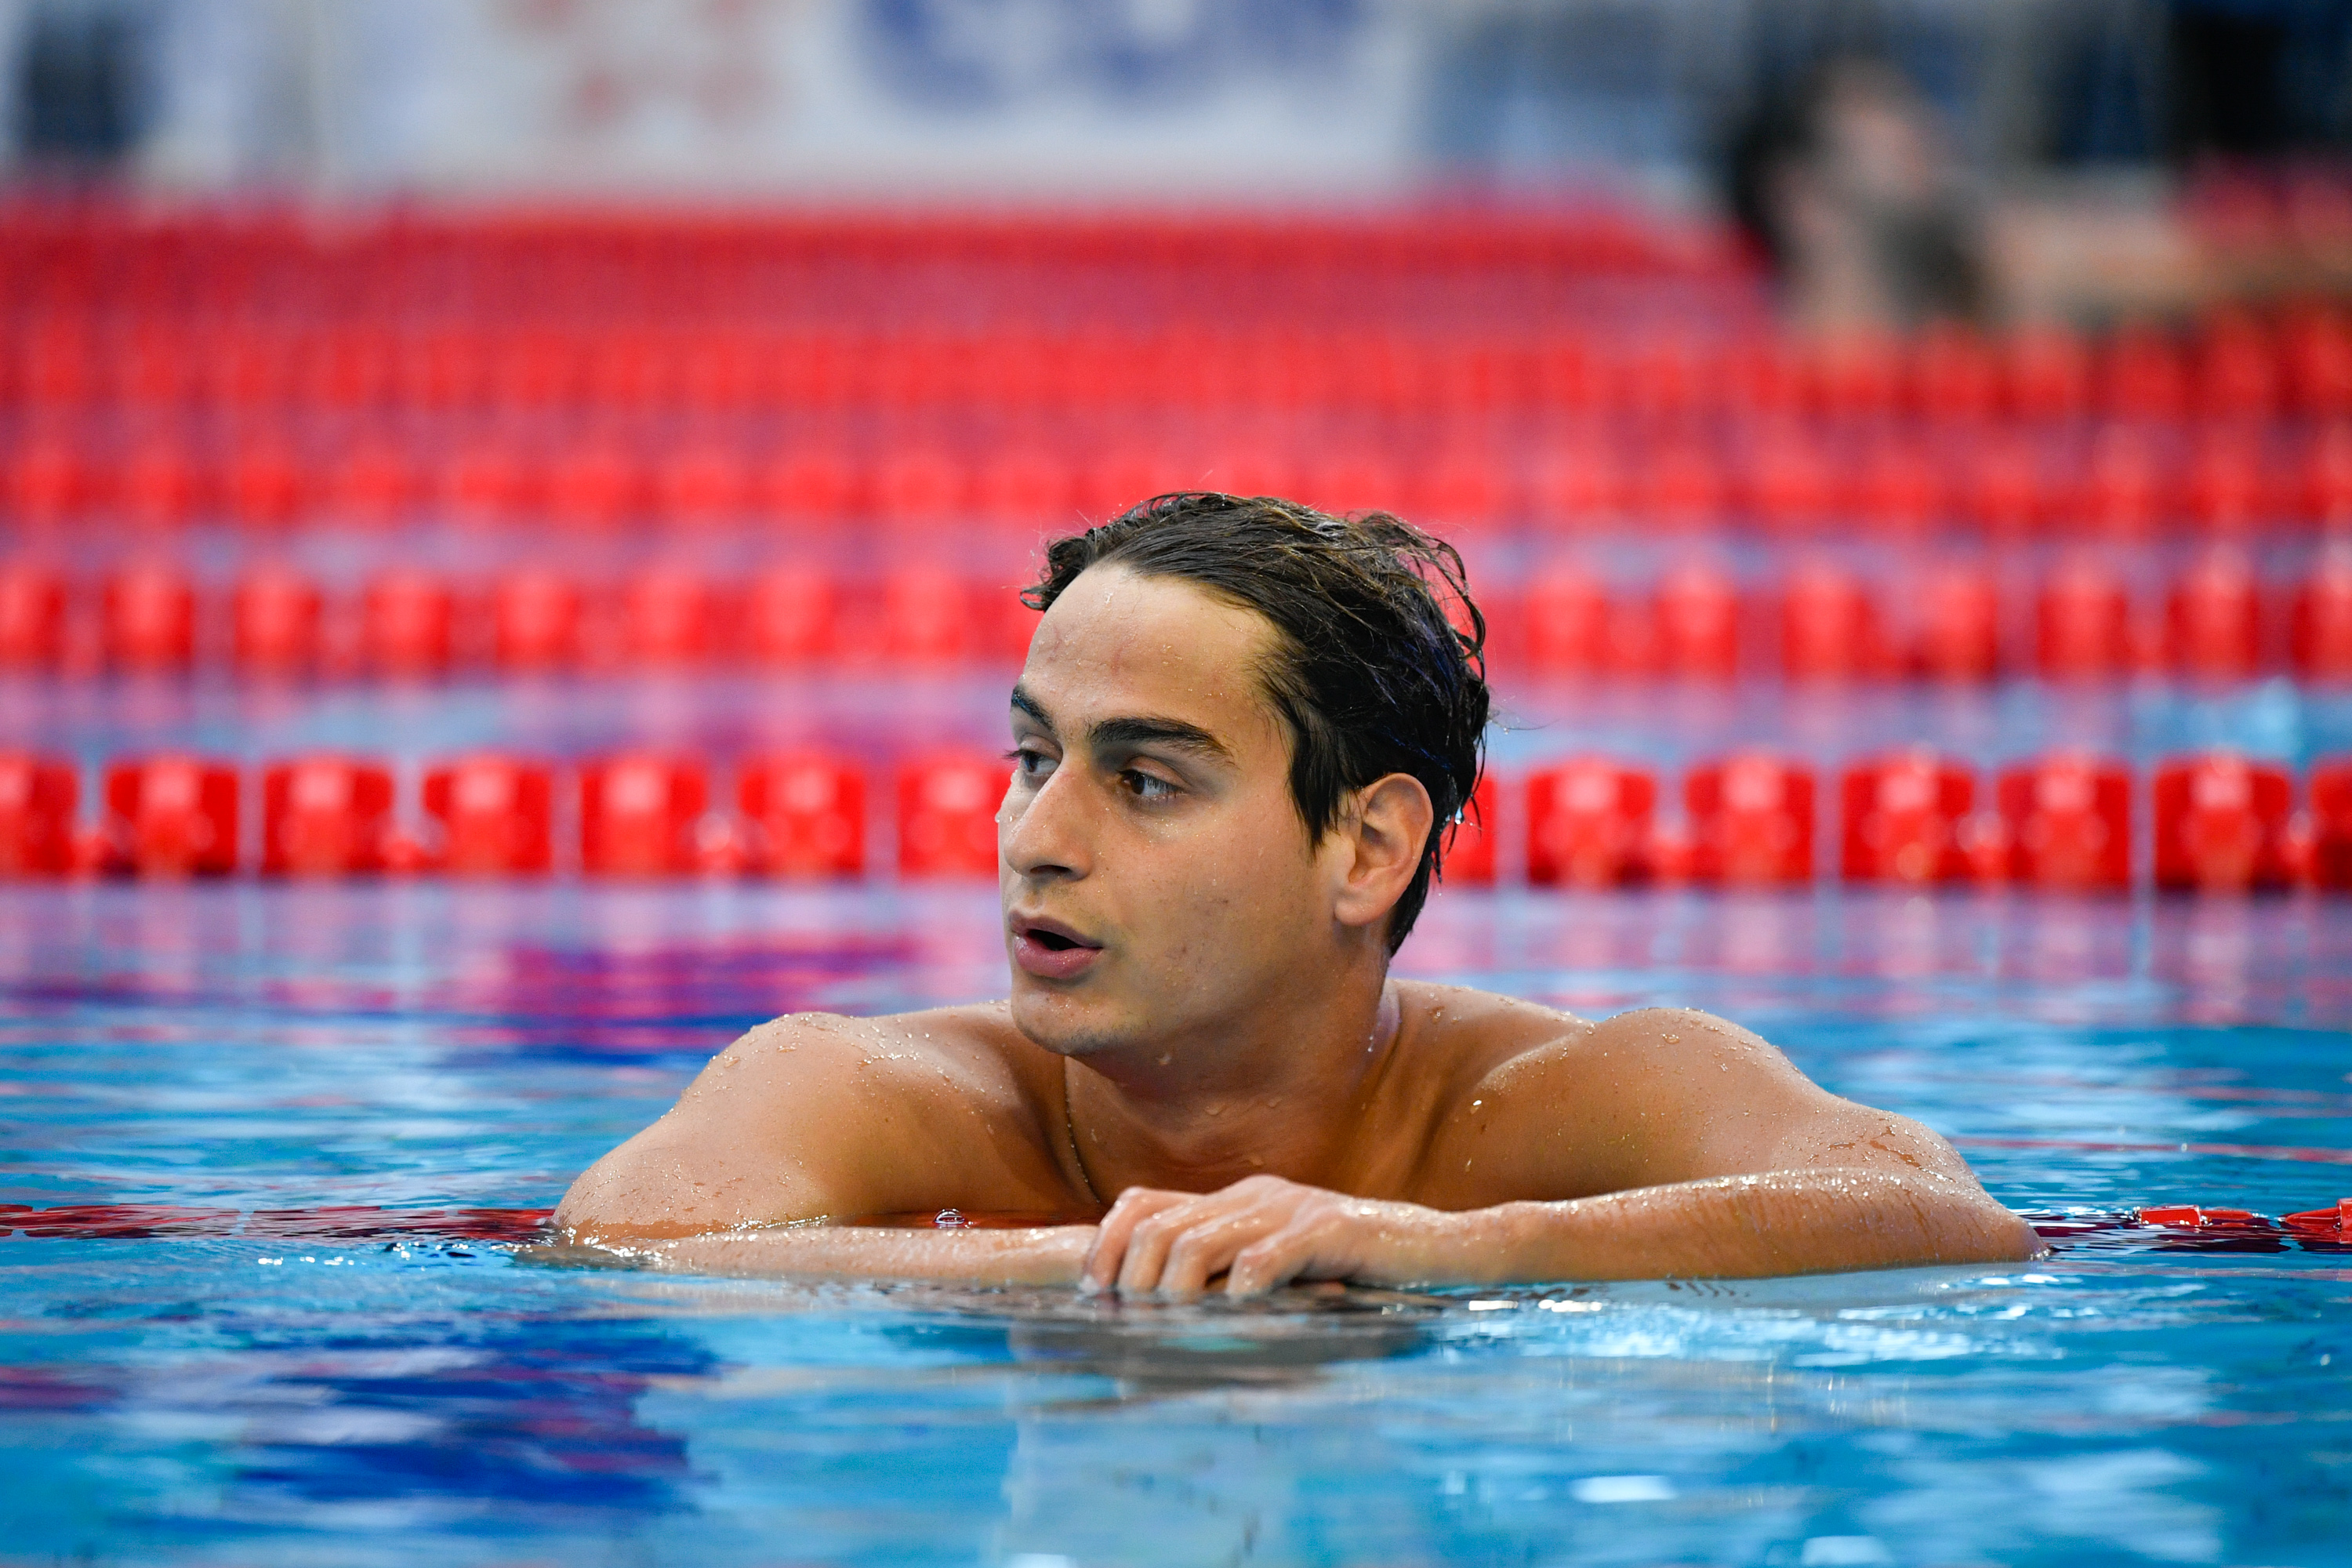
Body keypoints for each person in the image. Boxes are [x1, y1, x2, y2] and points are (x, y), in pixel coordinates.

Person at [556, 493, 2039, 1295]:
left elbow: (1935, 1213)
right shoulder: (875, 1094)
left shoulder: (1559, 1106)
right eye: (1032, 758)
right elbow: (619, 1241)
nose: (1033, 837)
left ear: (1368, 849)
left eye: (1146, 780)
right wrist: (1106, 1265)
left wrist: (1443, 1251)